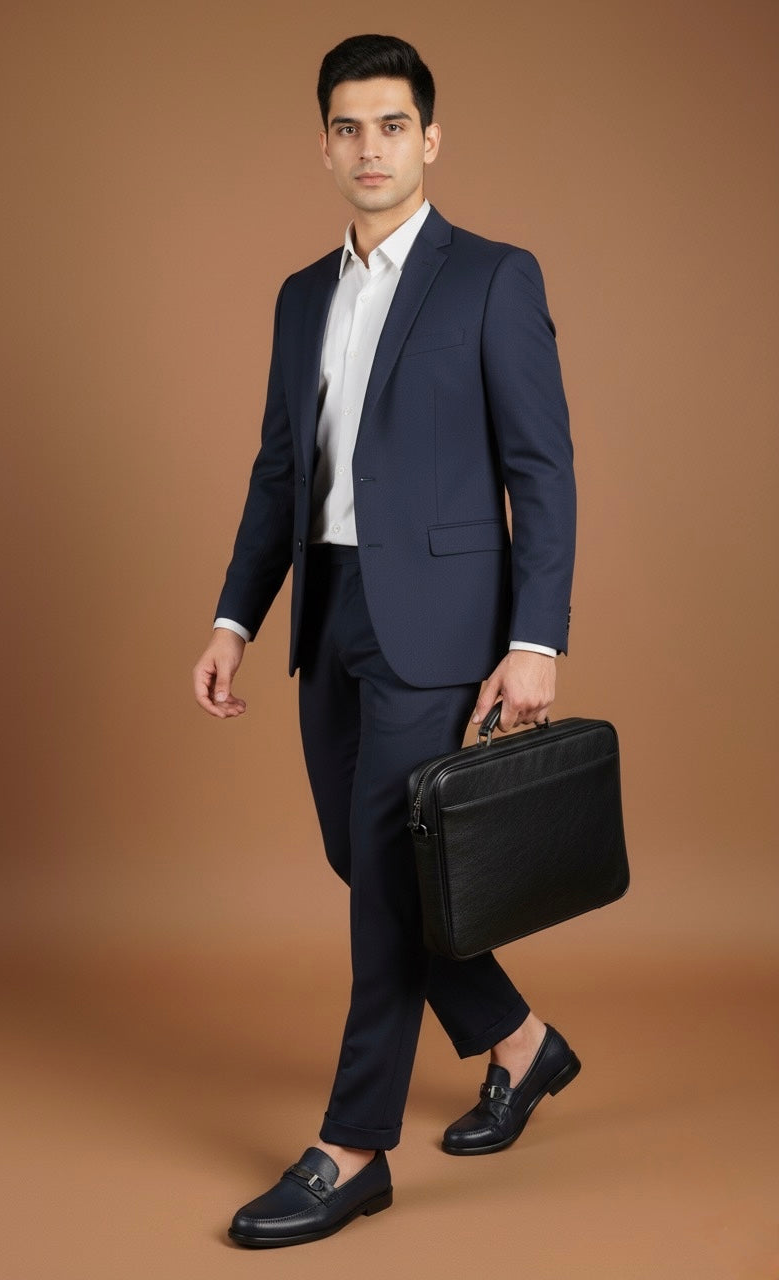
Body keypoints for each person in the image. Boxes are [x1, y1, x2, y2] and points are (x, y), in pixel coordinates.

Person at [192, 34, 579, 1249]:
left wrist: (535, 639)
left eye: (392, 125)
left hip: (441, 621)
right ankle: (521, 1040)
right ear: (324, 144)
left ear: (430, 138)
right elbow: (277, 473)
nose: (371, 148)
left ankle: (352, 1146)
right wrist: (232, 616)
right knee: (372, 862)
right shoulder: (301, 293)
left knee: (381, 884)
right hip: (330, 608)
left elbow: (541, 471)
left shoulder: (491, 277)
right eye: (348, 129)